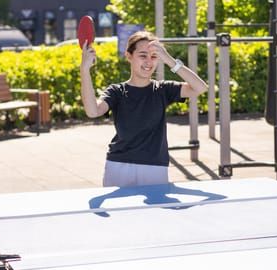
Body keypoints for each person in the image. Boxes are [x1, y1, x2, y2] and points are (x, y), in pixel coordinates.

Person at [80, 31, 208, 187]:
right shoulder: (116, 91)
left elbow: (200, 88)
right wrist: (84, 70)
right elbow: (93, 111)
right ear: (129, 56)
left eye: (153, 57)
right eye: (142, 55)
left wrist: (169, 59)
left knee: (153, 212)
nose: (149, 62)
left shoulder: (162, 89)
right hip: (118, 165)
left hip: (155, 167)